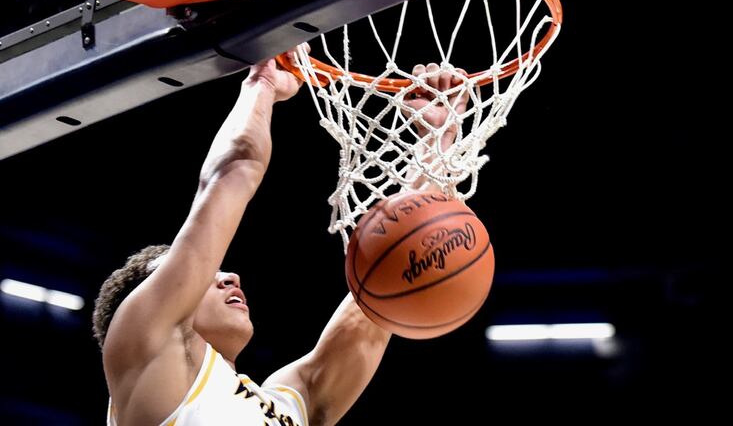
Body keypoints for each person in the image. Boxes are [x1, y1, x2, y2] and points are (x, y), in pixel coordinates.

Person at [92, 52, 469, 425]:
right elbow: (231, 175)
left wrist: (437, 141)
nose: (228, 276)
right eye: (200, 278)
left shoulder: (288, 406)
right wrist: (262, 84)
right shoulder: (145, 345)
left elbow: (383, 288)